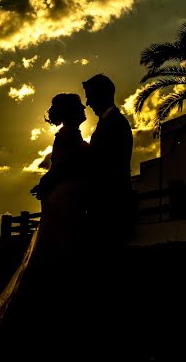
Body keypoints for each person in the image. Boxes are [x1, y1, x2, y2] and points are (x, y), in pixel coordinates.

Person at [0, 93, 90, 340]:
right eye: (79, 107)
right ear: (70, 113)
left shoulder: (70, 137)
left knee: (55, 250)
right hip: (63, 200)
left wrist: (46, 184)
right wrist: (46, 184)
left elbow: (60, 169)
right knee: (55, 251)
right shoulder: (67, 136)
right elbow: (61, 168)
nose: (84, 111)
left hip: (66, 198)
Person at [82, 74, 134, 246]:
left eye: (90, 96)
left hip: (110, 206)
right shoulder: (110, 122)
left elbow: (105, 164)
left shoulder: (115, 124)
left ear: (102, 95)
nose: (88, 103)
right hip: (108, 205)